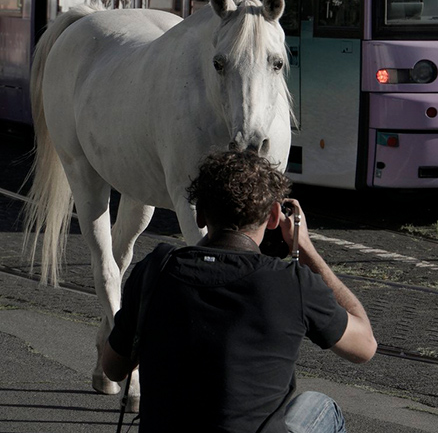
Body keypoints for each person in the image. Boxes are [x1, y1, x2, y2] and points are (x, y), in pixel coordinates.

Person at [101, 149, 377, 433]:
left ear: (200, 215)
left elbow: (112, 368)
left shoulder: (155, 269)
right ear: (272, 217)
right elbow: (365, 347)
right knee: (319, 406)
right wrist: (304, 248)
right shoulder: (292, 283)